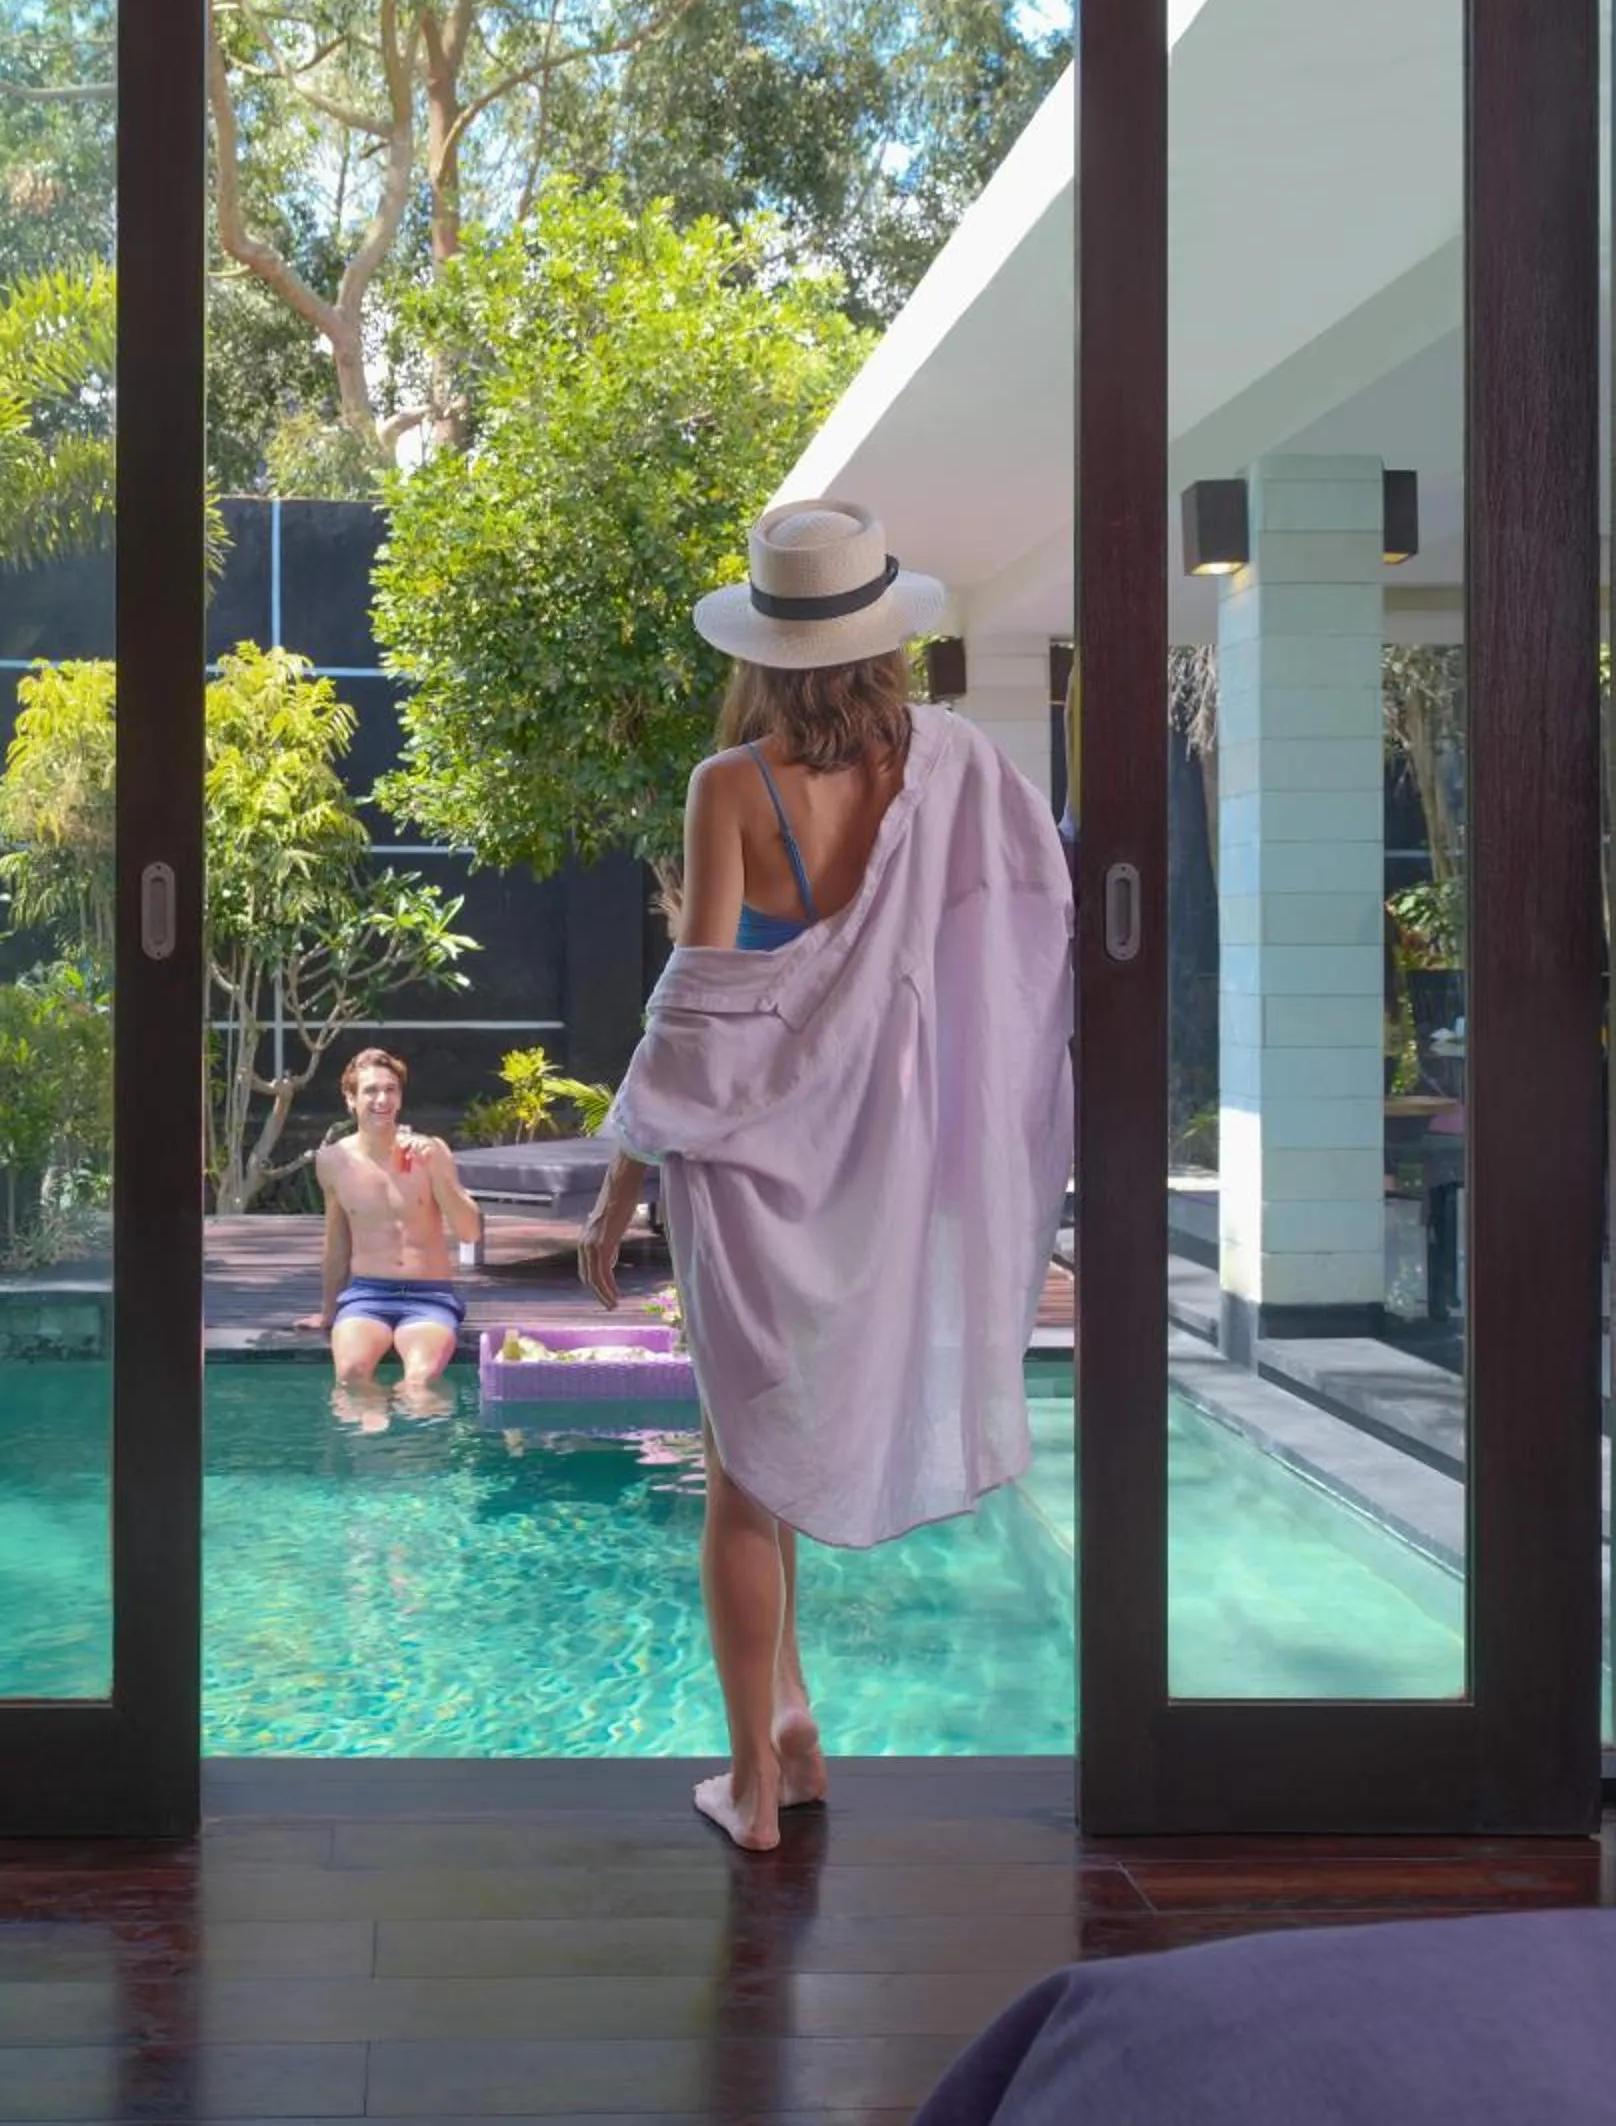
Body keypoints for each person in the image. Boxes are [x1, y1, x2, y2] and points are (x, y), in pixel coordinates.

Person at [578, 498, 1078, 1851]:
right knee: (773, 1449)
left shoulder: (732, 788)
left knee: (746, 1463)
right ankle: (793, 1722)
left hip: (744, 1175)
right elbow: (1017, 947)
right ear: (881, 637)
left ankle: (747, 1787)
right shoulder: (964, 766)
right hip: (876, 1164)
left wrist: (626, 1176)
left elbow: (703, 1010)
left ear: (767, 645)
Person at [301, 1048, 480, 1428]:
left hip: (429, 1295)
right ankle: (375, 1466)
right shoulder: (332, 1161)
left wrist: (436, 1172)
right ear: (350, 1099)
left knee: (419, 1384)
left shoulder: (432, 1150)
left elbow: (469, 1231)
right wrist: (328, 1311)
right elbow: (337, 1244)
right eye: (370, 1091)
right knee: (350, 1376)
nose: (382, 1100)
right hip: (367, 1294)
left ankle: (413, 1464)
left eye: (390, 1090)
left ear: (400, 1096)